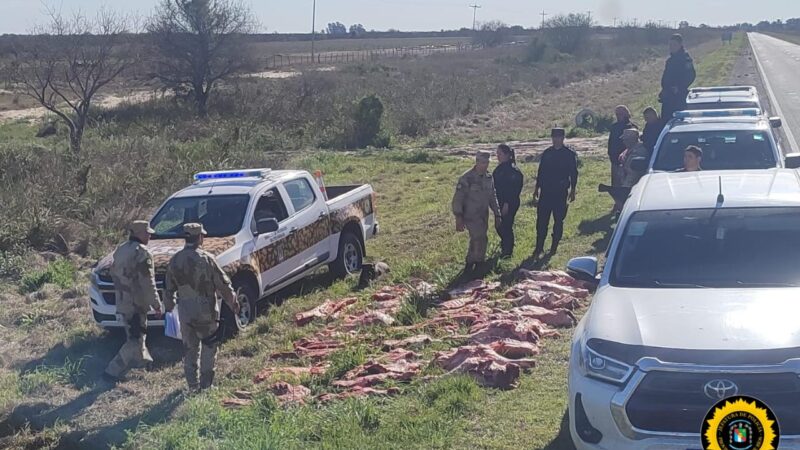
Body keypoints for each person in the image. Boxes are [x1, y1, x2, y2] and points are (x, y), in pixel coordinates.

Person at [164, 223, 240, 392]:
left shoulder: (175, 260)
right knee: (209, 346)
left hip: (185, 311)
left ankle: (192, 385)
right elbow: (222, 283)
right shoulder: (206, 259)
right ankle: (206, 385)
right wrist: (233, 302)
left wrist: (168, 307)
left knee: (190, 349)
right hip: (206, 310)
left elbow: (168, 288)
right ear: (199, 237)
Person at [104, 220, 162, 381]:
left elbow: (113, 272)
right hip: (136, 303)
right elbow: (148, 282)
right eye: (147, 233)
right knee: (135, 339)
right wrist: (156, 304)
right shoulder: (142, 253)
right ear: (138, 234)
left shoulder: (120, 250)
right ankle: (112, 371)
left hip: (122, 300)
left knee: (138, 334)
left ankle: (145, 364)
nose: (150, 235)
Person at [452, 151, 502, 276]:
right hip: (470, 214)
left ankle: (476, 261)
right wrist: (459, 216)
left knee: (481, 238)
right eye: (482, 162)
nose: (485, 165)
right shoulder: (467, 178)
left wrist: (497, 213)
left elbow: (492, 196)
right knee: (477, 237)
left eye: (487, 163)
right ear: (477, 162)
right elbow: (458, 198)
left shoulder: (489, 177)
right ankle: (473, 263)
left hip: (482, 214)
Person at [533, 128, 578, 257]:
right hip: (546, 191)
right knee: (541, 221)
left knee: (558, 220)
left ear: (563, 138)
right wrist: (537, 188)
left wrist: (573, 189)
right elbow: (541, 171)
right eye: (554, 137)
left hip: (560, 191)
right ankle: (539, 247)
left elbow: (573, 173)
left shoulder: (569, 154)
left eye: (558, 137)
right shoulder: (547, 153)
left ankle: (553, 247)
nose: (556, 139)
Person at [493, 144, 524, 258]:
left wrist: (506, 204)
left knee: (506, 225)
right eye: (497, 153)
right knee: (499, 226)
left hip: (510, 203)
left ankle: (507, 251)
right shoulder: (499, 168)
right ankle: (505, 244)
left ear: (507, 155)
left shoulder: (513, 171)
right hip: (499, 202)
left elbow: (514, 190)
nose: (497, 156)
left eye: (500, 153)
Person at [660, 33, 696, 121]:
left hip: (679, 97)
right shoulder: (670, 60)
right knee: (666, 121)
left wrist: (679, 87)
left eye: (674, 45)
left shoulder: (685, 59)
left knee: (679, 120)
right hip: (668, 96)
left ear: (680, 45)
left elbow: (691, 75)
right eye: (670, 45)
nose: (671, 47)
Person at [608, 105, 638, 189]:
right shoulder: (614, 127)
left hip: (627, 159)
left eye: (620, 114)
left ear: (626, 114)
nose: (618, 116)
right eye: (617, 114)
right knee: (616, 184)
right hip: (615, 159)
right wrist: (611, 156)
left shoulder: (632, 127)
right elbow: (610, 143)